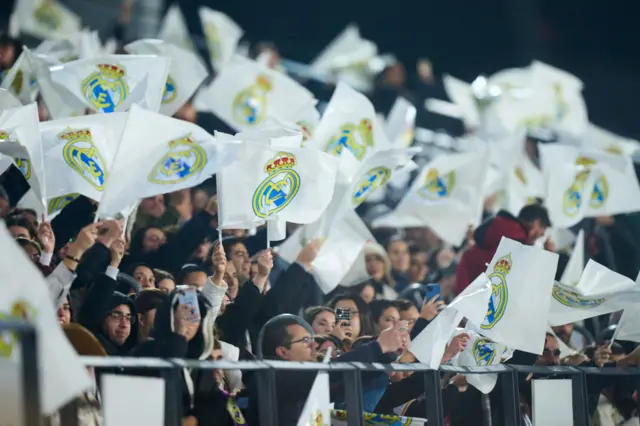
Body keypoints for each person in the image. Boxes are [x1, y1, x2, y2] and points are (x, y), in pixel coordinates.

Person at [246, 315, 410, 425]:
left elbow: (344, 381)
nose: (314, 345)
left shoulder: (304, 379)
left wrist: (387, 353)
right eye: (305, 340)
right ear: (282, 352)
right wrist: (378, 346)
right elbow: (331, 372)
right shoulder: (269, 377)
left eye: (312, 339)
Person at [456, 204, 552, 294]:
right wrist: (549, 254)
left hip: (466, 294)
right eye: (542, 227)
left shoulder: (497, 231)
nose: (543, 234)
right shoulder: (517, 244)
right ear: (535, 223)